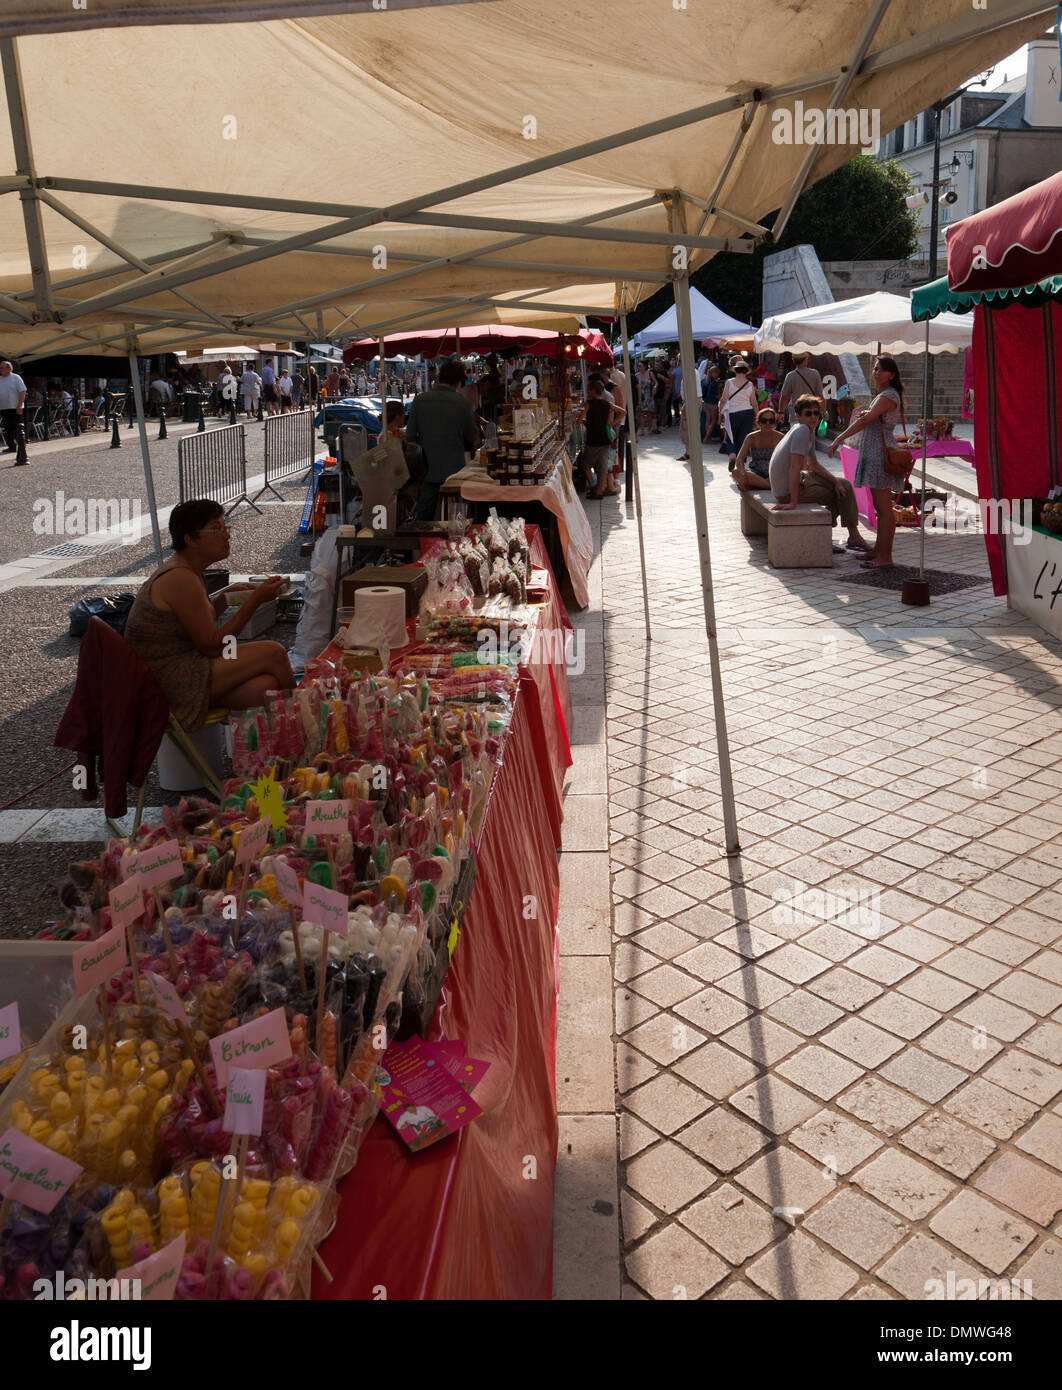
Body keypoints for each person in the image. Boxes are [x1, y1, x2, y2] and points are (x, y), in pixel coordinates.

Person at [124, 499, 294, 729]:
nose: (227, 535)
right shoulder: (181, 577)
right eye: (216, 528)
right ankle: (304, 720)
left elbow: (195, 624)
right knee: (274, 653)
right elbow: (214, 646)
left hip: (178, 669)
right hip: (170, 678)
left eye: (226, 527)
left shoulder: (188, 570)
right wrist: (254, 600)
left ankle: (280, 745)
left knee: (267, 687)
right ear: (190, 539)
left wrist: (225, 599)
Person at [827, 356, 906, 569]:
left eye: (880, 370)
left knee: (884, 508)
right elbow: (871, 417)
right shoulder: (884, 395)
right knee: (880, 508)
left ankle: (885, 557)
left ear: (891, 374)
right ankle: (879, 551)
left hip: (880, 455)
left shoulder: (888, 395)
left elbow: (865, 421)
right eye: (875, 369)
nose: (876, 373)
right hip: (874, 452)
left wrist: (838, 438)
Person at [769, 395, 870, 553]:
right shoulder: (802, 431)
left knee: (843, 485)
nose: (813, 417)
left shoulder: (806, 430)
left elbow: (813, 465)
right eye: (808, 413)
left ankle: (851, 535)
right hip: (788, 490)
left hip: (799, 480)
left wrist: (835, 482)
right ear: (798, 415)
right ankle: (831, 536)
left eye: (817, 413)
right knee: (840, 495)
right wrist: (793, 502)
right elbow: (794, 468)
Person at [405, 359, 481, 521]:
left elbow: (410, 436)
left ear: (440, 378)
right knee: (457, 520)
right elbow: (473, 437)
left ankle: (424, 545)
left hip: (426, 470)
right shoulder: (462, 403)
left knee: (423, 519)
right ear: (459, 381)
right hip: (456, 473)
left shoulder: (419, 400)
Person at [574, 377, 623, 498]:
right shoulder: (607, 404)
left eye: (588, 390)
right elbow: (623, 412)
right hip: (605, 439)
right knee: (602, 466)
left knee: (586, 464)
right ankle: (600, 491)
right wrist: (613, 423)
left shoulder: (588, 404)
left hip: (593, 439)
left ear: (591, 391)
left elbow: (579, 421)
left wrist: (582, 420)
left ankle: (592, 486)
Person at [718, 361, 759, 470]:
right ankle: (740, 463)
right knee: (743, 438)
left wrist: (720, 415)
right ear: (746, 372)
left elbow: (723, 400)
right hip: (748, 413)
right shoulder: (750, 384)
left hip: (732, 413)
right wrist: (758, 416)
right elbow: (754, 403)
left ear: (735, 370)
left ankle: (732, 455)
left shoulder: (729, 382)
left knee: (730, 437)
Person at [733, 408, 783, 490]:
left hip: (774, 472)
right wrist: (742, 474)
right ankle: (768, 485)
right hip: (756, 472)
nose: (767, 423)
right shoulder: (751, 437)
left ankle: (758, 484)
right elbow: (740, 459)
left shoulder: (780, 437)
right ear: (758, 422)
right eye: (764, 421)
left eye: (771, 421)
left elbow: (787, 459)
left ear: (775, 423)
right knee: (735, 472)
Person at [778, 352, 825, 426]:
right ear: (806, 360)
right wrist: (824, 411)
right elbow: (820, 396)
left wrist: (781, 412)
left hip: (796, 414)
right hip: (811, 413)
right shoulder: (815, 373)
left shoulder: (790, 375)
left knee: (796, 435)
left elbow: (784, 396)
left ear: (794, 361)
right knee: (809, 436)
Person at [0, 359, 27, 459]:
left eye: (3, 367)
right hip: (4, 407)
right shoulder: (0, 379)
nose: (1, 369)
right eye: (0, 368)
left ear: (9, 368)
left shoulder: (16, 377)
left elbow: (22, 391)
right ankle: (11, 447)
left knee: (18, 428)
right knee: (7, 429)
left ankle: (21, 446)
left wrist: (20, 405)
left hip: (15, 407)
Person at [701, 364, 721, 443]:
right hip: (713, 403)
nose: (717, 375)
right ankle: (706, 438)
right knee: (713, 421)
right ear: (714, 373)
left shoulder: (705, 380)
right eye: (717, 374)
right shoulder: (714, 382)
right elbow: (717, 395)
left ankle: (707, 437)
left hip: (706, 402)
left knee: (708, 420)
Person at [635, 361, 655, 435]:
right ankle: (642, 430)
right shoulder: (636, 375)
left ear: (645, 366)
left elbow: (656, 382)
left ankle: (649, 429)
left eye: (640, 366)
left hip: (649, 395)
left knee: (649, 414)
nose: (639, 367)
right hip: (641, 396)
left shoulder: (650, 374)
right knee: (641, 413)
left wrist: (655, 387)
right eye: (638, 366)